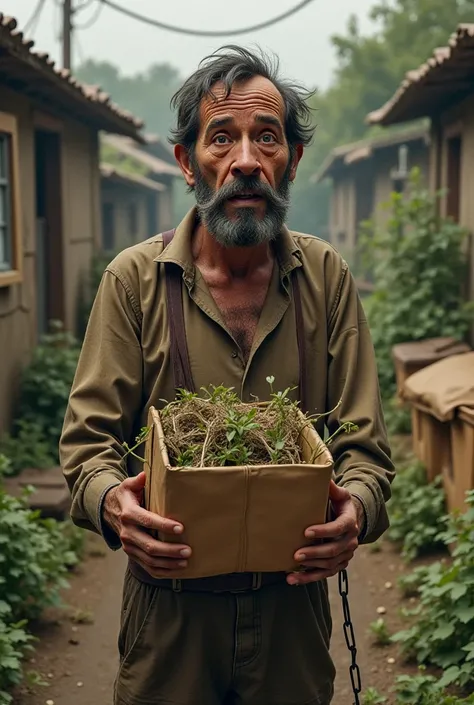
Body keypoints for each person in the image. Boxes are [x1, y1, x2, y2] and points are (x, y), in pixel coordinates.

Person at [60, 46, 394, 705]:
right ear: (188, 162)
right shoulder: (135, 281)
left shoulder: (325, 280)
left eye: (266, 137)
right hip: (170, 618)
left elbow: (366, 451)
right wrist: (114, 505)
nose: (246, 160)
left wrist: (355, 509)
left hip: (292, 615)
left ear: (291, 160)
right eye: (222, 137)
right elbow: (86, 446)